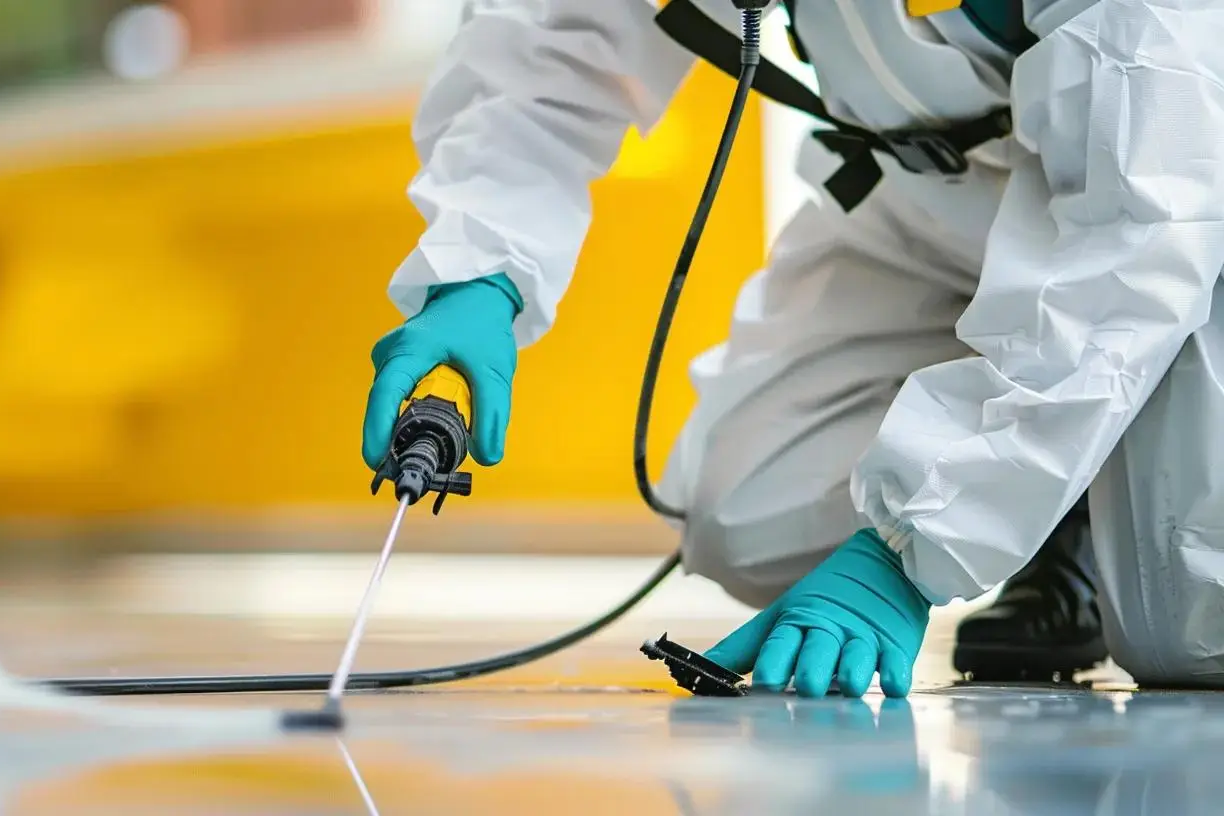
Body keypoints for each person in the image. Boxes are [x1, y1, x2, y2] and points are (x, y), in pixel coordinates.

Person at [361, 0, 1224, 697]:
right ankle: (1064, 500)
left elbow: (1140, 223)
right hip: (931, 207)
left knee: (1190, 629)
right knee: (748, 516)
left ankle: (1080, 479)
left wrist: (916, 544)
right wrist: (477, 275)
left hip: (1176, 222)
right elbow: (549, 49)